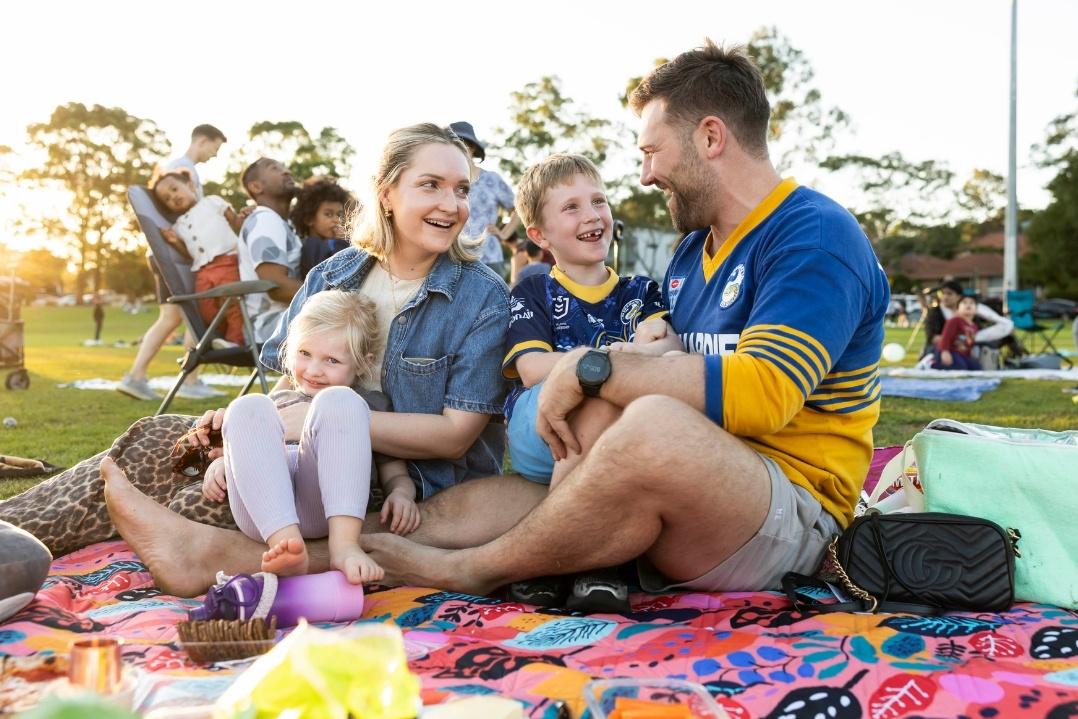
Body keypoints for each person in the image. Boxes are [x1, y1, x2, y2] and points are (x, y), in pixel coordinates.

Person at [351, 40, 890, 599]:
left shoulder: (813, 237)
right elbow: (663, 365)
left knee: (649, 418)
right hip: (685, 483)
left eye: (652, 151)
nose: (645, 176)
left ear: (710, 137)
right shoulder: (690, 253)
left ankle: (474, 571)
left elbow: (765, 393)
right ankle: (336, 549)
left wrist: (591, 369)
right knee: (537, 474)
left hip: (791, 511)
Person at [75, 123, 511, 597]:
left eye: (462, 189)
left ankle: (198, 551)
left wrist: (310, 419)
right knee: (154, 439)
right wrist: (252, 430)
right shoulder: (334, 274)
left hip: (400, 487)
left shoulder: (481, 295)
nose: (452, 205)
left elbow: (454, 438)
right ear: (386, 194)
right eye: (431, 185)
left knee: (192, 499)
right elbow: (293, 384)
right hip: (302, 460)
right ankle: (15, 535)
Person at [500, 153, 673, 609]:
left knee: (615, 404)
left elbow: (669, 351)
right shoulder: (534, 289)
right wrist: (620, 356)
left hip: (616, 434)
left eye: (598, 200)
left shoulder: (641, 292)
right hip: (542, 428)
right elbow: (534, 367)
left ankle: (587, 553)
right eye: (571, 207)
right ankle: (568, 557)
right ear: (539, 235)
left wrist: (643, 353)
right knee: (595, 398)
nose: (593, 215)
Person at [199, 290, 419, 584]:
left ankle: (344, 546)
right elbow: (251, 446)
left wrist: (402, 493)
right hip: (263, 514)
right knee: (247, 406)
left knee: (341, 401)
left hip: (324, 509)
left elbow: (395, 474)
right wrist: (224, 463)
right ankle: (287, 546)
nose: (314, 371)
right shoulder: (280, 400)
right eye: (304, 354)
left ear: (362, 363)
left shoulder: (366, 406)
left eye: (331, 360)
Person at [116, 124, 229, 402]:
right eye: (215, 148)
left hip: (177, 255)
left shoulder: (185, 169)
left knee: (190, 314)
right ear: (203, 141)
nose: (214, 155)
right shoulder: (180, 168)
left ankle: (189, 379)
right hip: (169, 257)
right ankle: (136, 376)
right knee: (173, 317)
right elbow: (175, 220)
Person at [151, 167, 245, 346]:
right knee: (206, 309)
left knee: (232, 304)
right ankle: (222, 337)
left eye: (174, 189)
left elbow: (237, 222)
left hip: (227, 261)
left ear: (191, 185)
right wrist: (174, 242)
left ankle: (235, 341)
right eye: (167, 199)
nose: (173, 197)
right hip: (203, 271)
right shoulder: (179, 226)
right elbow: (190, 254)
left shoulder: (212, 202)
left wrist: (246, 216)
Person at [237, 158, 303, 343]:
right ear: (256, 187)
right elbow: (276, 287)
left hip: (291, 318)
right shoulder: (266, 220)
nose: (286, 171)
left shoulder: (285, 224)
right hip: (269, 326)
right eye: (275, 168)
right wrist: (337, 297)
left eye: (284, 166)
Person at [449, 121, 520, 278]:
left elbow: (520, 208)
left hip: (490, 257)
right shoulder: (445, 181)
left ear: (472, 148)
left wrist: (504, 234)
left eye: (460, 145)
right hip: (453, 258)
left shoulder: (491, 179)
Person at [921, 279, 1015, 360]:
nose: (945, 297)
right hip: (941, 348)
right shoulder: (935, 312)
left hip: (965, 346)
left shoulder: (967, 312)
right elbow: (932, 337)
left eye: (949, 294)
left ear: (958, 296)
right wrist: (956, 341)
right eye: (943, 293)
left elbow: (976, 331)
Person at [293, 177, 356, 279]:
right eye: (328, 214)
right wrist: (341, 242)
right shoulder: (312, 245)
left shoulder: (330, 242)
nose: (336, 220)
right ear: (309, 219)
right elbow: (335, 273)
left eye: (339, 215)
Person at [932, 294, 982, 370]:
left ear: (976, 310)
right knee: (960, 367)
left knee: (976, 367)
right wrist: (944, 351)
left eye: (971, 303)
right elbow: (946, 337)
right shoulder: (955, 320)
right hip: (949, 351)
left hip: (962, 354)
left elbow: (969, 343)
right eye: (964, 303)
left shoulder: (974, 326)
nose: (968, 305)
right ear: (958, 309)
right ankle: (931, 365)